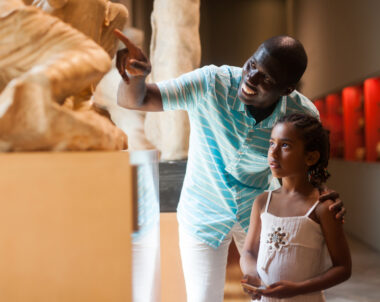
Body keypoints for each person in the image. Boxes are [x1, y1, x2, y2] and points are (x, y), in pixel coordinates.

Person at [114, 31, 346, 302]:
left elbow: (310, 162)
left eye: (266, 78)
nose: (251, 78)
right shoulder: (212, 83)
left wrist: (323, 196)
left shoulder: (301, 113)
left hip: (258, 214)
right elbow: (136, 100)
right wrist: (137, 76)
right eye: (252, 64)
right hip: (203, 211)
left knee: (266, 297)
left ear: (286, 90)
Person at [240, 113, 351, 301]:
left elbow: (343, 268)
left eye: (285, 145)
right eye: (271, 143)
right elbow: (249, 251)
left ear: (310, 157)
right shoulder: (262, 202)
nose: (273, 153)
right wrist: (252, 274)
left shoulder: (322, 208)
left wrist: (298, 288)